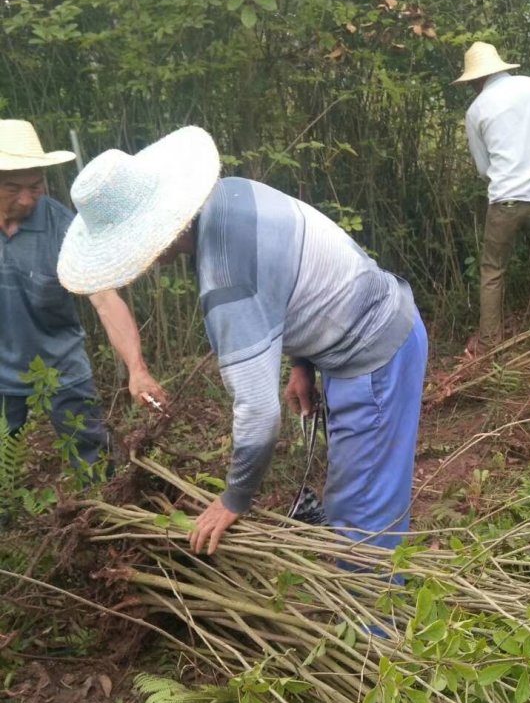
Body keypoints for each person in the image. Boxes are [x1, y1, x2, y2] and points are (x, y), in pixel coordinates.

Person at [57, 127, 428, 556]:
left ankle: (376, 619)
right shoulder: (231, 196)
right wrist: (302, 362)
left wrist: (234, 498)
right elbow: (300, 279)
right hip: (365, 333)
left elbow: (258, 411)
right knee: (360, 493)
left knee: (361, 519)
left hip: (375, 355)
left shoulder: (226, 279)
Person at [0, 120, 164, 471]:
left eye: (36, 186)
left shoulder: (63, 228)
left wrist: (137, 368)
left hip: (61, 366)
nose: (28, 199)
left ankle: (98, 510)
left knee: (90, 458)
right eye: (13, 188)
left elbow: (105, 300)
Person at [453, 42, 530, 357]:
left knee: (493, 271)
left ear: (476, 79)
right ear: (502, 66)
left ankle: (491, 344)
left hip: (504, 203)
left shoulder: (476, 110)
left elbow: (483, 169)